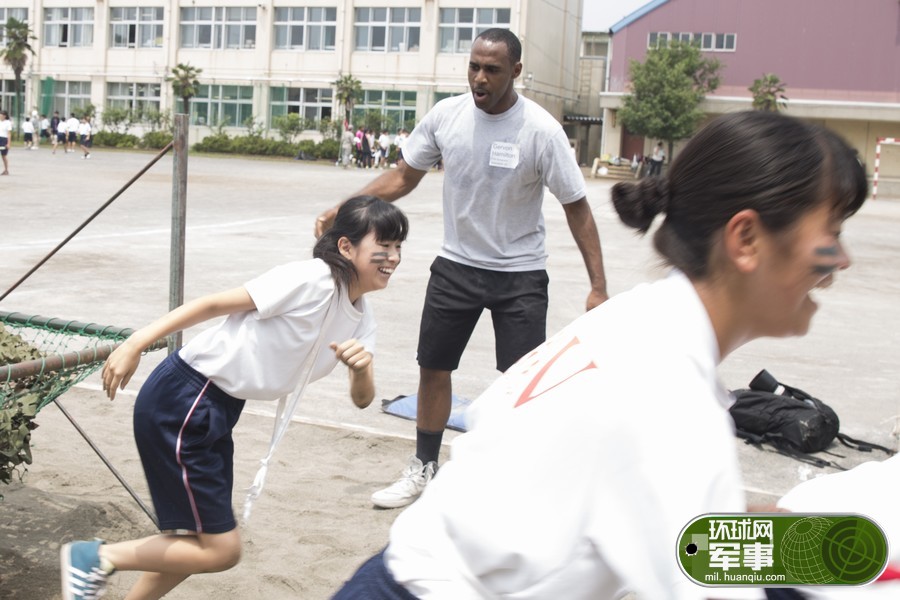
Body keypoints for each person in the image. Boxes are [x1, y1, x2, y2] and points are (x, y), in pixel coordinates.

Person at [331, 110, 868, 599]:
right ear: (746, 238)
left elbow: (692, 528)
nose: (840, 259)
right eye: (831, 232)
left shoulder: (641, 321)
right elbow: (706, 562)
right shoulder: (669, 393)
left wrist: (812, 538)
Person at [314, 28, 608, 509]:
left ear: (515, 72)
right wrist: (344, 206)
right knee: (433, 366)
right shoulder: (447, 116)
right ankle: (423, 467)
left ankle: (518, 476)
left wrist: (598, 286)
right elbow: (403, 176)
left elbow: (577, 207)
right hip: (456, 266)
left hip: (520, 274)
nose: (479, 77)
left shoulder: (541, 130)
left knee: (521, 381)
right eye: (473, 66)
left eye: (492, 69)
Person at [59, 196, 409, 600]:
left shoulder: (363, 318)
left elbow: (364, 400)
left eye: (399, 247)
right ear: (347, 247)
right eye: (383, 246)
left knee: (195, 544)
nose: (393, 258)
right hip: (187, 397)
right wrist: (136, 342)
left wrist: (361, 369)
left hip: (216, 407)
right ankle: (91, 557)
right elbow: (212, 304)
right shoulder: (313, 278)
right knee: (220, 549)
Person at [0, 110, 11, 175]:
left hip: (4, 139)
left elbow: (9, 134)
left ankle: (6, 170)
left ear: (5, 116)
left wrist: (8, 143)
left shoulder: (8, 122)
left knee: (3, 156)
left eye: (1, 114)